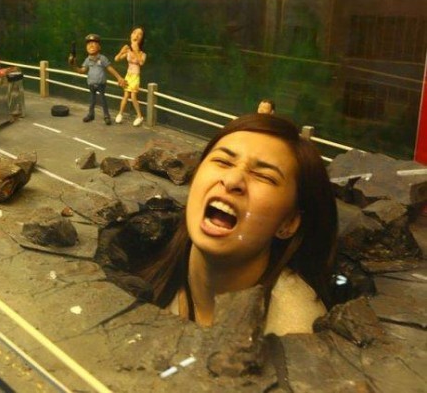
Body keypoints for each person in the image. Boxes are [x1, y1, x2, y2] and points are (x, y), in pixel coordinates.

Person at [139, 114, 337, 336]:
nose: (232, 180)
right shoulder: (143, 256)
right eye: (223, 161)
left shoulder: (294, 332)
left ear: (288, 223)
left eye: (264, 176)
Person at [68, 33, 126, 125]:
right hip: (91, 84)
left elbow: (110, 68)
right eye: (88, 44)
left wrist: (119, 78)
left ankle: (106, 116)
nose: (91, 45)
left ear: (99, 47)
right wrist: (73, 65)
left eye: (94, 43)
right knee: (92, 100)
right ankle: (91, 114)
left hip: (101, 84)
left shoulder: (102, 58)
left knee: (103, 100)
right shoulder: (87, 60)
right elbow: (82, 70)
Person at [114, 26, 146, 127]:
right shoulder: (128, 50)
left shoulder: (142, 53)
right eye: (135, 32)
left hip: (135, 76)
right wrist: (122, 51)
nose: (137, 35)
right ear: (131, 35)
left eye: (140, 34)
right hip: (128, 75)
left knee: (133, 96)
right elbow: (116, 59)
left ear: (142, 38)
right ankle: (120, 114)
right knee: (126, 95)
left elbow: (141, 62)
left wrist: (136, 50)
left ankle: (139, 116)